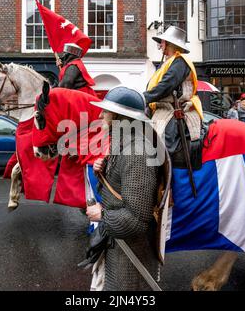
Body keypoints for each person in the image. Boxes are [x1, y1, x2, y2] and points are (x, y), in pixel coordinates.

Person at [85, 86, 161, 291]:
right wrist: (102, 172)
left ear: (120, 117)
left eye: (106, 111)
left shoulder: (137, 153)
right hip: (117, 245)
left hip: (131, 253)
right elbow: (114, 192)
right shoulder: (123, 144)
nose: (100, 114)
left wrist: (102, 215)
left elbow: (137, 220)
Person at [142, 26, 203, 168]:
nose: (160, 45)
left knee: (162, 147)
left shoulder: (180, 62)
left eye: (162, 42)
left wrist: (142, 98)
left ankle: (168, 177)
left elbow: (166, 86)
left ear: (169, 44)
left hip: (173, 111)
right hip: (163, 109)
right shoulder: (167, 63)